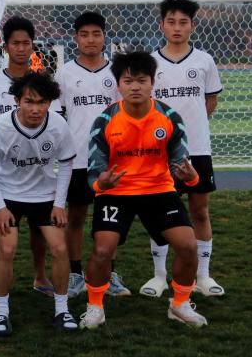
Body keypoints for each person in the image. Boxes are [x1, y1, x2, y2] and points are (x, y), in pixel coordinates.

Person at [81, 51, 207, 329]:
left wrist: (191, 178)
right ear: (118, 85)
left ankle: (180, 304)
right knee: (102, 250)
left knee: (188, 246)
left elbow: (181, 164)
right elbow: (93, 173)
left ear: (152, 83)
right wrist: (102, 184)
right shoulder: (104, 121)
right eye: (128, 81)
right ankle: (95, 307)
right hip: (116, 193)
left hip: (158, 190)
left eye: (141, 81)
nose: (135, 87)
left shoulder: (170, 117)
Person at [139, 0, 225, 298]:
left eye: (183, 22)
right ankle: (159, 276)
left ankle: (203, 276)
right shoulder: (151, 63)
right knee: (160, 213)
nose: (177, 27)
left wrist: (191, 129)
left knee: (200, 211)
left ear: (192, 26)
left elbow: (210, 101)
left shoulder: (204, 61)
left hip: (197, 149)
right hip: (159, 152)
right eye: (171, 22)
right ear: (162, 25)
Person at [0, 72, 78, 335]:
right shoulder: (2, 127)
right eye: (29, 102)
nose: (36, 109)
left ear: (50, 103)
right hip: (9, 195)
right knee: (7, 249)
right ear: (17, 101)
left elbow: (66, 163)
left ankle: (62, 309)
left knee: (59, 247)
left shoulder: (58, 125)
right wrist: (0, 208)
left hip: (45, 196)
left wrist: (59, 204)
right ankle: (1, 312)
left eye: (42, 102)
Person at [0, 16, 63, 300]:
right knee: (5, 231)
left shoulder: (43, 82)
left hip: (40, 172)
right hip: (6, 170)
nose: (20, 48)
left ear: (32, 45)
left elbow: (54, 121)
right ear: (5, 46)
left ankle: (40, 276)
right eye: (15, 43)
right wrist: (15, 141)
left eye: (26, 43)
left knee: (40, 230)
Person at [54, 11, 128, 299]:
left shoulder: (116, 72)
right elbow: (57, 116)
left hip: (110, 160)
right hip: (77, 159)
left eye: (96, 34)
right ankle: (75, 273)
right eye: (84, 34)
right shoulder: (65, 73)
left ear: (104, 37)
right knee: (76, 217)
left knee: (110, 218)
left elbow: (126, 115)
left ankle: (109, 274)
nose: (90, 40)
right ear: (76, 38)